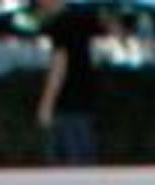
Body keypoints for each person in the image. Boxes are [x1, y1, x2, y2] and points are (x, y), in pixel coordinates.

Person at [36, 0, 100, 166]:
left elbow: (59, 63)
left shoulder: (59, 24)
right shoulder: (82, 16)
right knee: (85, 153)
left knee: (69, 157)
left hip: (65, 101)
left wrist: (47, 103)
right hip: (85, 95)